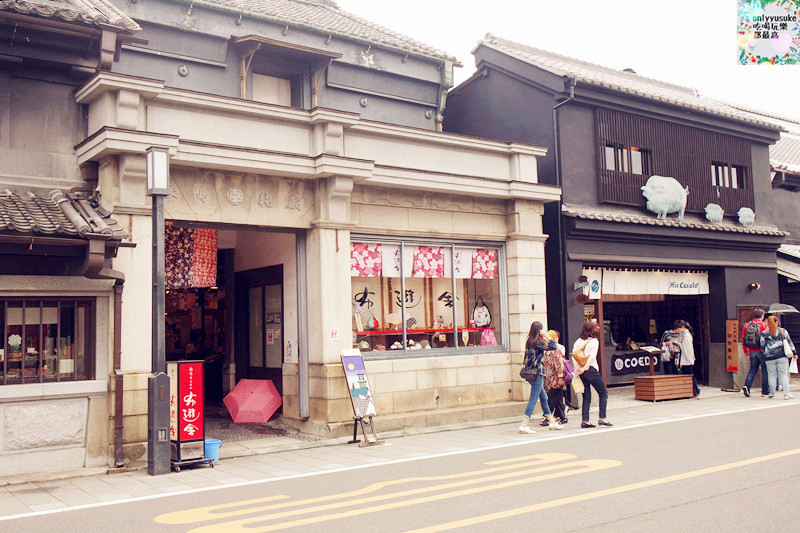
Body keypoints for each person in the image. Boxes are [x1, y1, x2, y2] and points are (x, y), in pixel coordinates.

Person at [519, 321, 563, 434]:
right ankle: (524, 424)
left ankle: (552, 422)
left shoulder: (529, 341)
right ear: (539, 330)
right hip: (537, 373)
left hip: (530, 373)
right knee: (533, 399)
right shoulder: (538, 342)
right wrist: (547, 336)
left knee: (543, 398)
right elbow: (553, 346)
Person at [572, 321, 612, 428]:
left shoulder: (578, 341)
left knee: (586, 395)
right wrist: (585, 368)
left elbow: (574, 356)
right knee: (603, 392)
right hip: (591, 370)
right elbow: (592, 357)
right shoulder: (594, 341)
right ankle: (602, 418)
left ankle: (585, 420)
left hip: (581, 371)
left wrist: (578, 369)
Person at [760, 315, 797, 399]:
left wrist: (765, 353)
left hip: (769, 357)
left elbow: (762, 345)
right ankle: (786, 393)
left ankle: (772, 393)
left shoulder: (764, 333)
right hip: (781, 356)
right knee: (784, 375)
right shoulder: (782, 331)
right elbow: (789, 342)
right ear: (777, 322)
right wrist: (794, 352)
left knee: (771, 375)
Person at [541, 330, 567, 426]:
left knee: (551, 400)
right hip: (548, 379)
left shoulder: (556, 351)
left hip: (556, 379)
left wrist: (560, 378)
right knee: (558, 400)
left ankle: (547, 418)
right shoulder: (546, 352)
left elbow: (560, 366)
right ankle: (563, 417)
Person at [741, 308, 769, 398]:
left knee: (753, 369)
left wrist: (746, 351)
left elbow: (743, 339)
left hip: (752, 351)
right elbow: (768, 339)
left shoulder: (747, 325)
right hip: (762, 351)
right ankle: (765, 391)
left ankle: (747, 385)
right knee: (765, 370)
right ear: (762, 316)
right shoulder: (764, 326)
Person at [674, 320, 700, 397]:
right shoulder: (686, 335)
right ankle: (693, 391)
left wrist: (687, 360)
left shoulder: (686, 336)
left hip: (687, 360)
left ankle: (694, 391)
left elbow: (687, 349)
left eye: (678, 328)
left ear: (682, 327)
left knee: (689, 376)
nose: (678, 330)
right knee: (689, 376)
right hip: (687, 359)